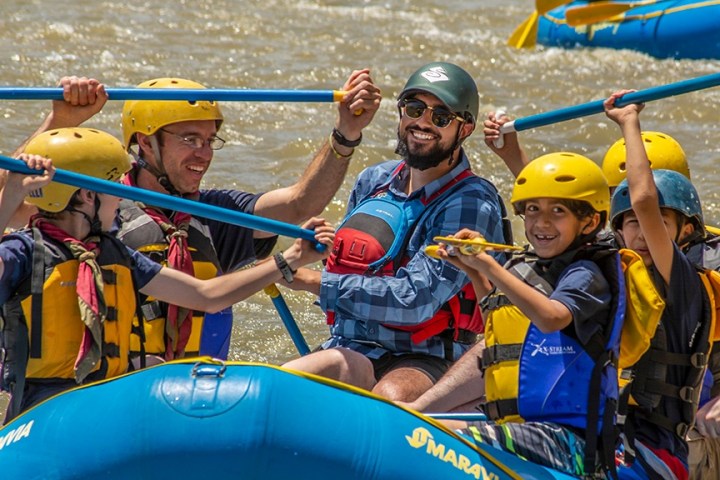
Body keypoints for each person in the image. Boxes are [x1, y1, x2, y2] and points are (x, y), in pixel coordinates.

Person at [2, 72, 381, 360]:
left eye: (209, 140)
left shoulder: (213, 213)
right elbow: (10, 198)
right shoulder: (93, 208)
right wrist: (61, 120)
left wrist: (346, 134)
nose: (204, 154)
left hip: (194, 394)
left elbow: (301, 204)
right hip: (110, 393)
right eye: (189, 140)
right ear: (145, 143)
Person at [0, 127, 333, 423]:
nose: (122, 196)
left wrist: (288, 259)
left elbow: (206, 296)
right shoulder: (23, 253)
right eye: (114, 186)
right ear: (87, 196)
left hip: (106, 398)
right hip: (44, 409)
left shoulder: (116, 255)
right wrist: (11, 194)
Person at [282, 62, 511, 402]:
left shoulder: (472, 202)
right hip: (350, 345)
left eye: (441, 117)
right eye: (414, 108)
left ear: (465, 130)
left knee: (389, 394)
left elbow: (415, 301)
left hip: (426, 356)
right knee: (286, 383)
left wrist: (312, 281)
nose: (422, 123)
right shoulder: (373, 181)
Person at [432, 152, 622, 477]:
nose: (541, 223)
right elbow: (498, 323)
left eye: (557, 211)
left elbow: (551, 319)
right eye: (533, 209)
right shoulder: (535, 267)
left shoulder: (587, 273)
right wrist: (472, 270)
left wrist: (489, 264)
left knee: (440, 437)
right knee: (433, 427)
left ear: (590, 222)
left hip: (571, 443)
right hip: (522, 429)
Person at [604, 90, 715, 480]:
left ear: (685, 231)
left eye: (651, 224)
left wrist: (628, 120)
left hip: (658, 449)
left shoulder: (683, 280)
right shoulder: (614, 275)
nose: (640, 233)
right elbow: (557, 230)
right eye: (628, 223)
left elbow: (645, 200)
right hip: (612, 436)